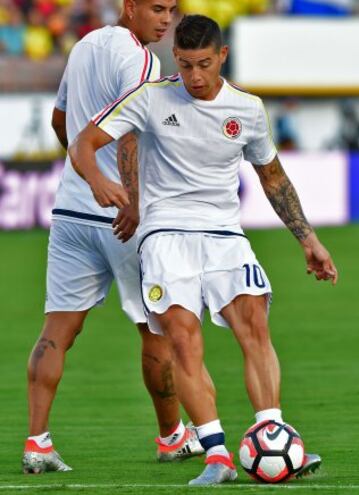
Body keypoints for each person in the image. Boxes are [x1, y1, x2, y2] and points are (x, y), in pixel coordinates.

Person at [69, 14, 338, 485]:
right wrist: (101, 183)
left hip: (225, 234)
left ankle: (269, 430)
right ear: (176, 57)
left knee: (254, 324)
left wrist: (308, 238)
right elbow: (83, 144)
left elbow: (272, 177)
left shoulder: (248, 109)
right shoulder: (150, 99)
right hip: (165, 234)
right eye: (186, 64)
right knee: (182, 337)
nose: (194, 76)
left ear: (223, 57)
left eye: (204, 64)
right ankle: (217, 456)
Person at [22, 0, 205, 475]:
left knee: (57, 332)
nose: (167, 20)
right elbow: (130, 134)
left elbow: (61, 123)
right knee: (157, 328)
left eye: (173, 10)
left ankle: (37, 442)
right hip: (124, 215)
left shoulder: (84, 46)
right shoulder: (142, 60)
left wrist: (85, 172)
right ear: (130, 7)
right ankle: (171, 438)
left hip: (71, 210)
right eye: (156, 9)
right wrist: (130, 199)